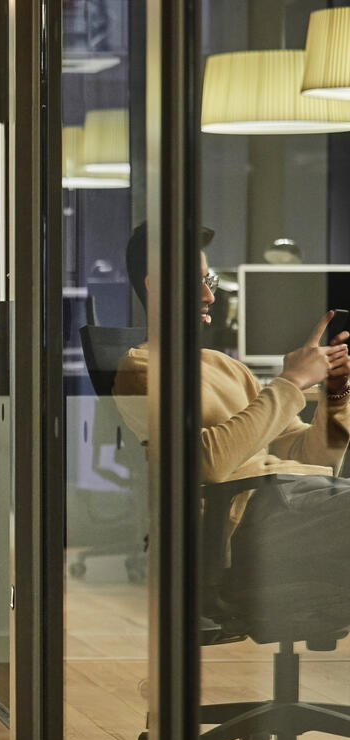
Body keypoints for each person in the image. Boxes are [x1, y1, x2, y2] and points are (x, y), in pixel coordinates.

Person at [113, 223, 350, 578]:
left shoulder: (227, 366)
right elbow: (204, 462)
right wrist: (291, 382)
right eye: (198, 283)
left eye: (209, 282)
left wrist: (336, 391)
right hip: (245, 529)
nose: (210, 297)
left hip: (296, 503)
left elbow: (315, 458)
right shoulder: (139, 371)